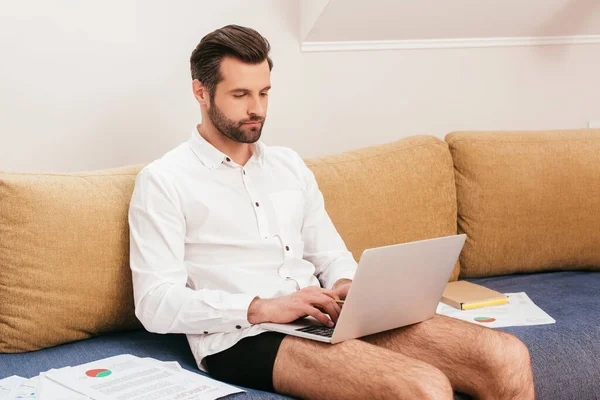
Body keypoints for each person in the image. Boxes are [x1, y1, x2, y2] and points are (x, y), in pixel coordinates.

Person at [128, 24, 535, 400]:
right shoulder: (164, 180)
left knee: (506, 355)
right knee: (421, 386)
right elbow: (154, 302)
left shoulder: (288, 166)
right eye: (240, 95)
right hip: (242, 336)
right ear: (201, 92)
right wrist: (262, 307)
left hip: (323, 316)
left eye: (264, 93)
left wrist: (346, 284)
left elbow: (330, 254)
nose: (257, 108)